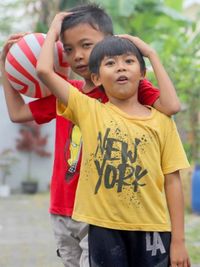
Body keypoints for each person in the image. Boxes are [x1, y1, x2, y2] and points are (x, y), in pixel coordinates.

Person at [0, 4, 181, 267]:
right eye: (69, 49)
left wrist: (148, 54)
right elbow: (17, 112)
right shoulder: (67, 93)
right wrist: (6, 68)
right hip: (61, 206)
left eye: (86, 45)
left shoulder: (128, 90)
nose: (78, 56)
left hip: (99, 213)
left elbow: (170, 106)